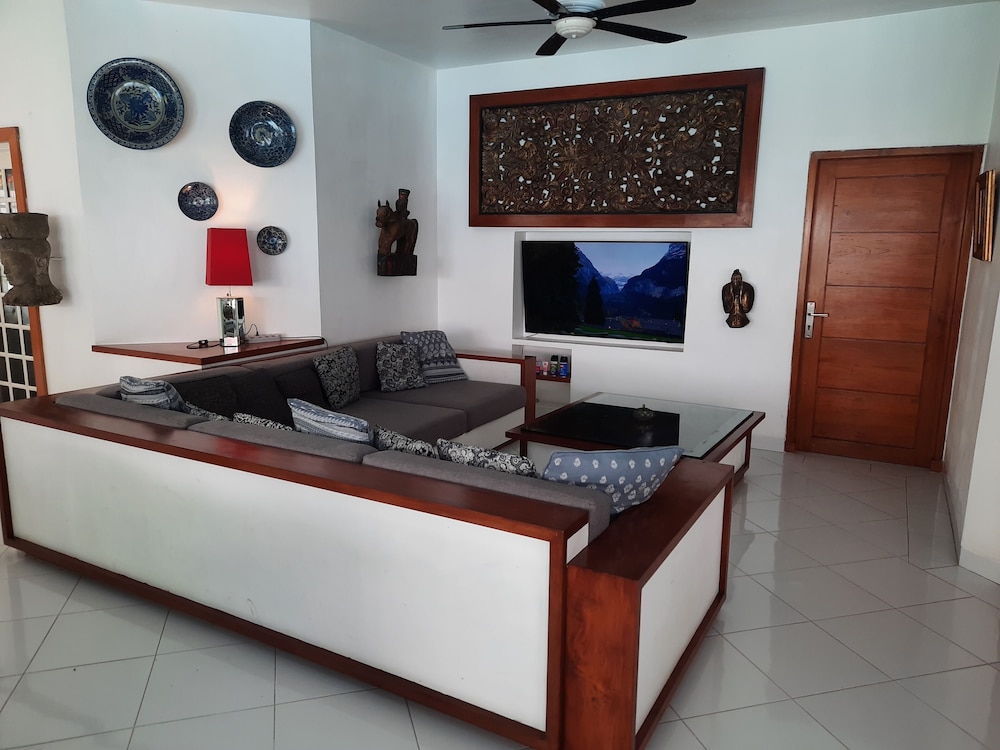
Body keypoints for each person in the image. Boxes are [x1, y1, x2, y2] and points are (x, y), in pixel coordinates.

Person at [0, 213, 63, 306]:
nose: (5, 272)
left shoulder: (46, 295)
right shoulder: (11, 297)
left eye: (12, 264)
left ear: (41, 262)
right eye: (4, 264)